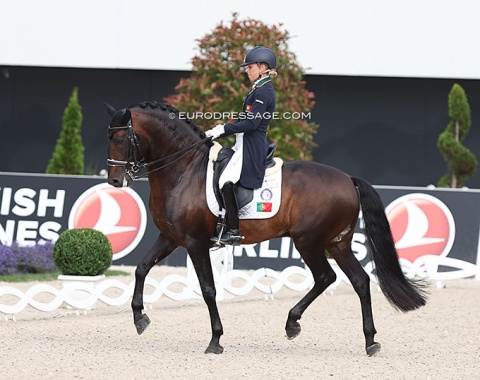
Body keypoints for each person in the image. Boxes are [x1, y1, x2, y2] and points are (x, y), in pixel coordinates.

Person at [205, 46, 277, 246]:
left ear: (263, 67)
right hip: (243, 143)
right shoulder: (257, 89)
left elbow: (252, 123)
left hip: (251, 147)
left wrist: (223, 129)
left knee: (226, 181)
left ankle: (233, 230)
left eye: (250, 66)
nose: (247, 70)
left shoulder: (264, 92)